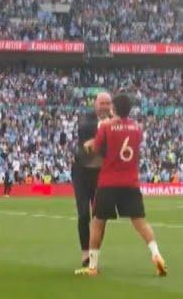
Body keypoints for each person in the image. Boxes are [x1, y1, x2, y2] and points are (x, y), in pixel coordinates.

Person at [75, 94, 167, 277]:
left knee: (97, 222)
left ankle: (92, 266)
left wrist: (89, 145)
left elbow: (96, 148)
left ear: (114, 109)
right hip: (131, 181)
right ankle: (156, 254)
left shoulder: (106, 126)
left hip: (108, 181)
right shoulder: (137, 128)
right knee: (140, 221)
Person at [71, 92, 112, 268]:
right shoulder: (86, 119)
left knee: (100, 216)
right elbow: (85, 134)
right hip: (82, 171)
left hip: (101, 173)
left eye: (107, 103)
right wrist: (107, 127)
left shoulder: (114, 122)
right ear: (95, 104)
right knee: (83, 214)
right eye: (101, 103)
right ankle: (85, 253)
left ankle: (94, 254)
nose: (104, 106)